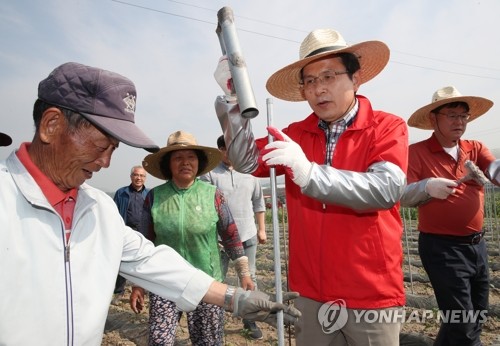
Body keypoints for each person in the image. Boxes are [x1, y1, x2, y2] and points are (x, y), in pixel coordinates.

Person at [0, 62, 301, 345]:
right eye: (101, 146)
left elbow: (149, 260)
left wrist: (234, 297)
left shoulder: (98, 209)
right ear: (52, 125)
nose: (106, 162)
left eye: (113, 150)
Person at [214, 28, 408, 345]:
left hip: (370, 293)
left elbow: (385, 189)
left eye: (329, 76)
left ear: (355, 79)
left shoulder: (385, 128)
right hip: (310, 294)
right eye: (310, 81)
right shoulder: (295, 135)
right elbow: (246, 160)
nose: (319, 89)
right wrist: (233, 104)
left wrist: (308, 173)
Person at [131, 130, 254, 345]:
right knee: (160, 340)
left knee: (208, 341)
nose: (185, 163)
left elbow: (230, 233)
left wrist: (244, 273)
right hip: (164, 281)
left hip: (206, 282)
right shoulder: (155, 197)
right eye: (178, 157)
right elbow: (145, 242)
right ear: (168, 164)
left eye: (191, 157)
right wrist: (138, 284)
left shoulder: (212, 194)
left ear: (199, 162)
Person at [401, 85, 498, 345]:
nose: (460, 122)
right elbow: (403, 194)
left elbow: (494, 169)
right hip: (442, 248)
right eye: (452, 115)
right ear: (434, 119)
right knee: (463, 322)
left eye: (463, 116)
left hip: (477, 246)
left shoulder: (474, 148)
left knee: (475, 315)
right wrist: (426, 187)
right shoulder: (417, 152)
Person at [200, 134, 267, 340]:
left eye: (235, 148)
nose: (231, 153)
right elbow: (205, 205)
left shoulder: (250, 173)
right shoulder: (210, 174)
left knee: (250, 277)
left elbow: (258, 202)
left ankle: (249, 319)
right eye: (227, 149)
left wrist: (261, 228)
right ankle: (214, 321)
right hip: (220, 239)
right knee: (216, 280)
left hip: (247, 235)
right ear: (220, 150)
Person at [111, 165, 150, 304]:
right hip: (125, 231)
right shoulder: (121, 193)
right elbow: (113, 214)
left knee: (144, 262)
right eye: (136, 175)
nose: (139, 178)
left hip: (143, 232)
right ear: (131, 176)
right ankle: (118, 292)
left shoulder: (149, 194)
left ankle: (143, 291)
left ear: (145, 178)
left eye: (142, 176)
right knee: (121, 261)